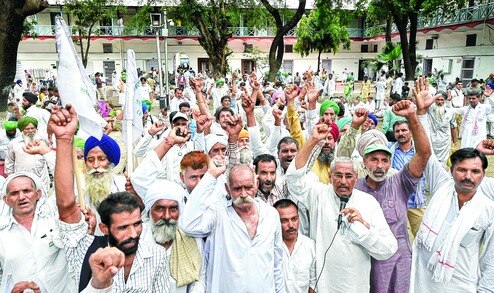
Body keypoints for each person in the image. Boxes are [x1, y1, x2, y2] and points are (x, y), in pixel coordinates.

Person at [50, 104, 170, 292]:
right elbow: (66, 205)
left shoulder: (155, 255)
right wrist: (64, 139)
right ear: (104, 228)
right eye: (122, 227)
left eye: (136, 224)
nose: (132, 234)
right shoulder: (85, 250)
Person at [286, 132, 397, 293]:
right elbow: (293, 179)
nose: (343, 181)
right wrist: (313, 140)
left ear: (356, 177)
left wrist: (364, 228)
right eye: (338, 175)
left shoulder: (368, 203)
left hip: (355, 284)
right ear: (330, 177)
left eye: (348, 176)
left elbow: (388, 250)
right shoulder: (318, 194)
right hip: (323, 284)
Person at [179, 164, 285, 292]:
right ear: (227, 189)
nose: (244, 194)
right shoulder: (218, 213)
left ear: (256, 184)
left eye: (248, 187)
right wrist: (211, 176)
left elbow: (277, 263)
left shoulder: (270, 214)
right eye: (237, 189)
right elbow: (188, 225)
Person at [410, 147, 494, 292]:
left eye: (475, 171)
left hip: (461, 286)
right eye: (462, 170)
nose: (468, 176)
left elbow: (491, 258)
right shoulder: (441, 189)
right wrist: (414, 122)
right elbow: (425, 147)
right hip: (422, 282)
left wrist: (485, 290)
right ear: (451, 171)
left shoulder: (488, 209)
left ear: (483, 175)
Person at [0, 172, 74, 293]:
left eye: (26, 191)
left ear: (38, 194)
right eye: (14, 193)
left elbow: (69, 182)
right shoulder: (2, 233)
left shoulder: (54, 219)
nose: (21, 197)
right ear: (6, 200)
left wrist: (45, 152)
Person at [140, 179, 206, 292]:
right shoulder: (138, 239)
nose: (166, 216)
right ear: (150, 210)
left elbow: (200, 278)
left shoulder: (192, 238)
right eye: (160, 209)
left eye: (173, 209)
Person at [274, 199, 316, 293]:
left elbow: (313, 284)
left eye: (294, 219)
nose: (291, 225)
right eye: (284, 221)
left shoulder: (310, 246)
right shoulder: (270, 246)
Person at [5, 116, 54, 191]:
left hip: (42, 179)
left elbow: (49, 158)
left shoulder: (43, 140)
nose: (30, 131)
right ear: (22, 130)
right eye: (27, 129)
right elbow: (9, 163)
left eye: (33, 128)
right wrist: (12, 179)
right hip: (22, 180)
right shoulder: (14, 144)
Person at [426, 91, 456, 166]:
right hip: (432, 139)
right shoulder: (429, 109)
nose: (440, 102)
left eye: (442, 100)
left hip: (445, 141)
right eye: (437, 99)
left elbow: (453, 127)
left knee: (443, 162)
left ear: (445, 100)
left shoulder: (450, 112)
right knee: (431, 160)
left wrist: (454, 141)